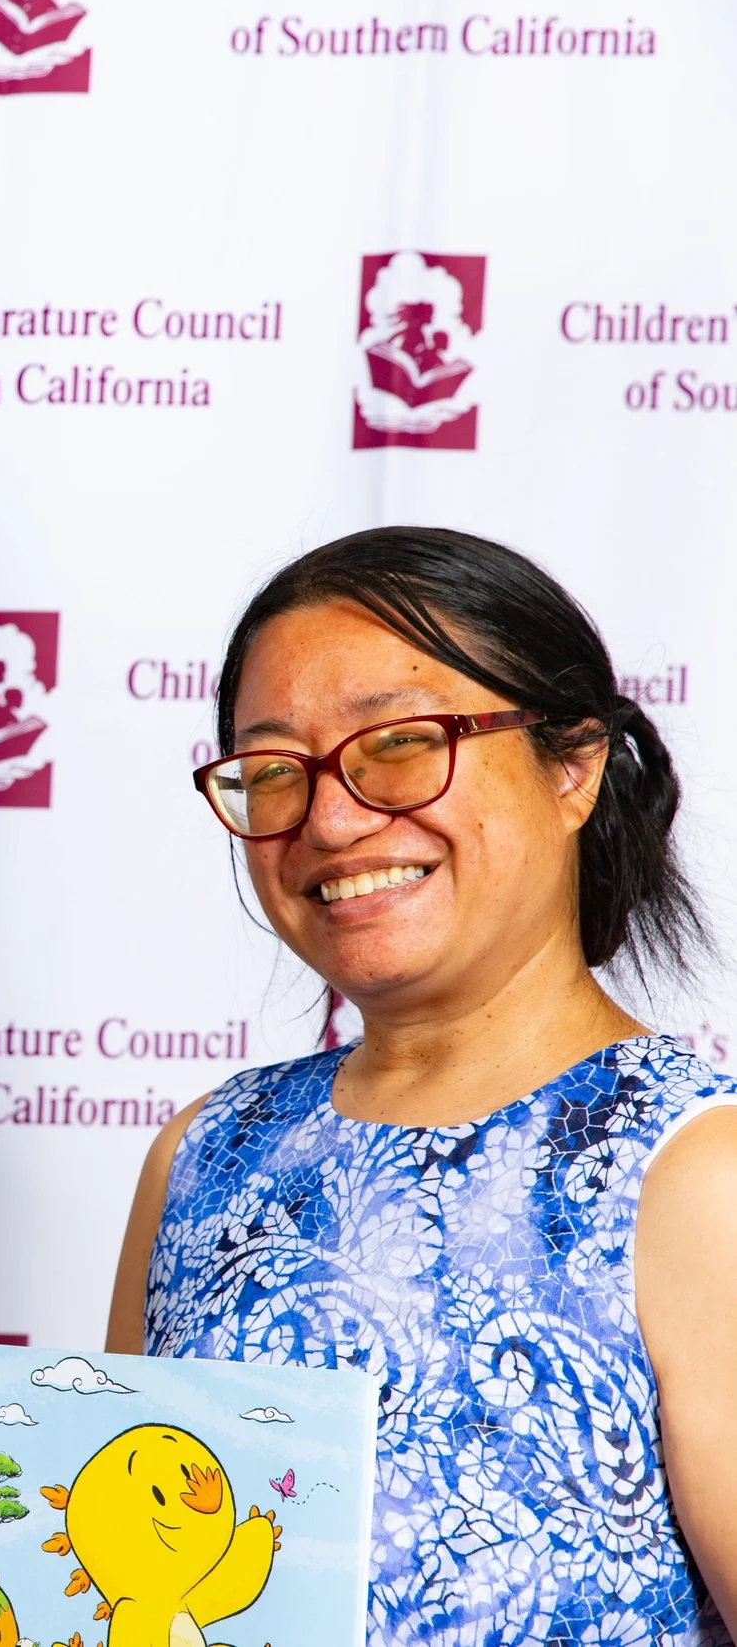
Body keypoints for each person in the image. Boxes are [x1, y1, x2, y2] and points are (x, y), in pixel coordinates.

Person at [107, 528, 736, 1645]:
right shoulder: (203, 1152)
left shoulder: (694, 1169)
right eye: (274, 770)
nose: (332, 818)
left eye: (400, 744)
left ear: (572, 765)